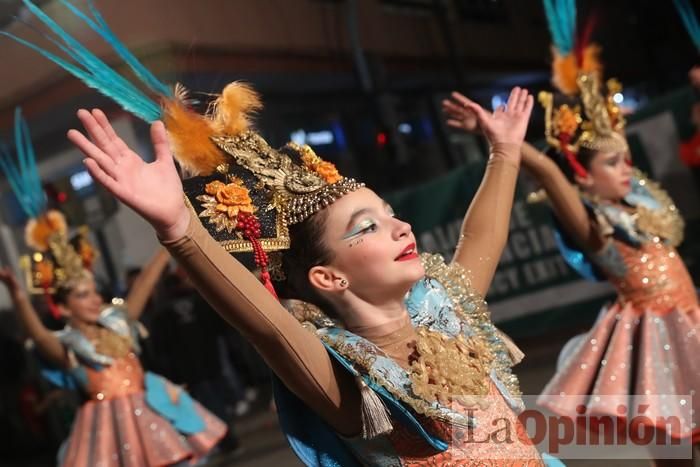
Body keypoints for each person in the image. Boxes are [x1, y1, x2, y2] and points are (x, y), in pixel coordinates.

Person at [444, 9, 700, 466]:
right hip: (653, 333)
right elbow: (547, 169)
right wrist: (497, 134)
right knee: (673, 449)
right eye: (612, 164)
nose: (627, 170)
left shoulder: (643, 212)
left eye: (627, 161)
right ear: (583, 178)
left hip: (690, 318)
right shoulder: (595, 228)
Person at [0, 108, 227, 467]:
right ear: (64, 306)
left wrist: (171, 232)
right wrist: (15, 294)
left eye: (93, 290)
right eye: (83, 294)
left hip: (151, 413)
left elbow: (148, 282)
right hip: (108, 428)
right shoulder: (68, 346)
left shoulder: (118, 323)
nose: (94, 299)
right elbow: (38, 333)